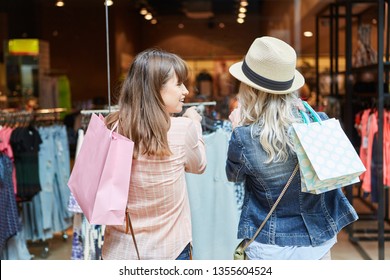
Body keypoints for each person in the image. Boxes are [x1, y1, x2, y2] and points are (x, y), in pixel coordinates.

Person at [226, 36, 358, 260]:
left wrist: (237, 129)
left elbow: (234, 176)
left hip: (268, 244)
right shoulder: (318, 122)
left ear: (249, 89)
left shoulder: (244, 136)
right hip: (318, 241)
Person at [101, 48, 207, 260]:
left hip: (120, 251)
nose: (185, 91)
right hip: (170, 251)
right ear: (155, 89)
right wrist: (196, 126)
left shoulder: (111, 126)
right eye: (178, 84)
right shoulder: (182, 128)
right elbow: (199, 165)